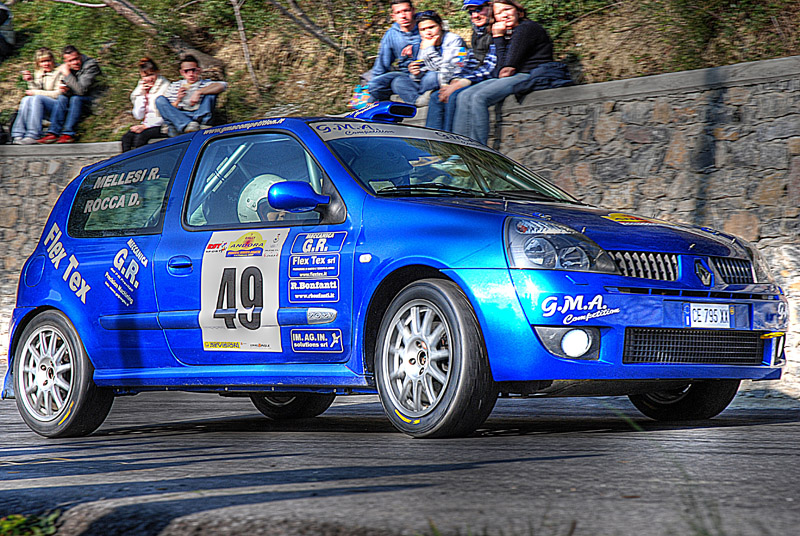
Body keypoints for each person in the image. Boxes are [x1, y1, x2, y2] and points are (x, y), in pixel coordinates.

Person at [451, 0, 556, 145]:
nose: (504, 15)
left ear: (518, 12)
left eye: (507, 10)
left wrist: (498, 38)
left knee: (478, 97)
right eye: (499, 13)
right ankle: (459, 150)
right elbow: (500, 69)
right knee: (463, 95)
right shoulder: (507, 32)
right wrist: (500, 38)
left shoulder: (526, 28)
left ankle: (477, 149)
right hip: (515, 75)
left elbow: (508, 68)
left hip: (530, 75)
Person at [425, 0, 496, 131]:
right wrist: (455, 79)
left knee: (453, 96)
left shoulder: (496, 30)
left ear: (490, 7)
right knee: (436, 96)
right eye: (471, 12)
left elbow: (491, 68)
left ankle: (451, 143)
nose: (475, 15)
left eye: (478, 9)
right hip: (473, 77)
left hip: (490, 79)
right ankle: (432, 144)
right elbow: (467, 61)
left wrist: (460, 83)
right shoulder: (477, 32)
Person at [393, 10, 465, 107]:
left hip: (446, 79)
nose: (428, 32)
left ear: (440, 25)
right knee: (398, 81)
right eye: (423, 30)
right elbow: (423, 68)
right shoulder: (424, 41)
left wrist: (430, 49)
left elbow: (448, 69)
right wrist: (416, 72)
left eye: (431, 27)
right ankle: (418, 100)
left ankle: (420, 99)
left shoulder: (453, 40)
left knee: (432, 76)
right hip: (425, 84)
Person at [37, 45, 101, 144]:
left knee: (76, 99)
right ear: (65, 61)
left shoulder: (90, 65)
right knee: (62, 97)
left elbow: (81, 91)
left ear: (80, 56)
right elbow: (71, 89)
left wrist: (67, 73)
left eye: (76, 59)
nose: (74, 63)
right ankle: (53, 132)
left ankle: (68, 133)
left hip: (93, 99)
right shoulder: (68, 68)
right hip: (75, 99)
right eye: (70, 61)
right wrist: (66, 90)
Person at [156, 54, 226, 136]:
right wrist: (178, 99)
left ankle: (201, 124)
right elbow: (167, 110)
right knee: (160, 100)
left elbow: (223, 85)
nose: (191, 74)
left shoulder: (206, 83)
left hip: (199, 116)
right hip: (181, 116)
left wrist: (199, 92)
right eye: (187, 71)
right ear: (182, 72)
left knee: (211, 93)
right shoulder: (175, 86)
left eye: (194, 70)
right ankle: (186, 125)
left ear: (199, 70)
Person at [367, 0, 420, 103]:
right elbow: (382, 64)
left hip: (426, 72)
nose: (403, 16)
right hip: (405, 76)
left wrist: (415, 47)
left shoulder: (424, 26)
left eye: (406, 11)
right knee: (376, 87)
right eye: (398, 13)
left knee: (394, 83)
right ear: (393, 16)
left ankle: (419, 103)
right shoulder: (391, 35)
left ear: (413, 10)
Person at [11, 48, 63, 144]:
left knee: (37, 98)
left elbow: (58, 94)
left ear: (52, 60)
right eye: (42, 62)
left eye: (48, 61)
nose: (46, 64)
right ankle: (18, 134)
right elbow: (35, 89)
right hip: (40, 103)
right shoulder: (39, 72)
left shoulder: (59, 71)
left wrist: (36, 92)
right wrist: (30, 81)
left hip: (57, 105)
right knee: (26, 99)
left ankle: (33, 134)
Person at [121, 57, 170, 152]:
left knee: (140, 138)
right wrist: (142, 95)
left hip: (161, 125)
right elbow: (138, 115)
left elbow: (164, 114)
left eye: (151, 75)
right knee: (126, 138)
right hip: (145, 124)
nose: (148, 79)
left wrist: (145, 127)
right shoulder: (140, 88)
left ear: (157, 72)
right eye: (145, 76)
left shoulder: (165, 87)